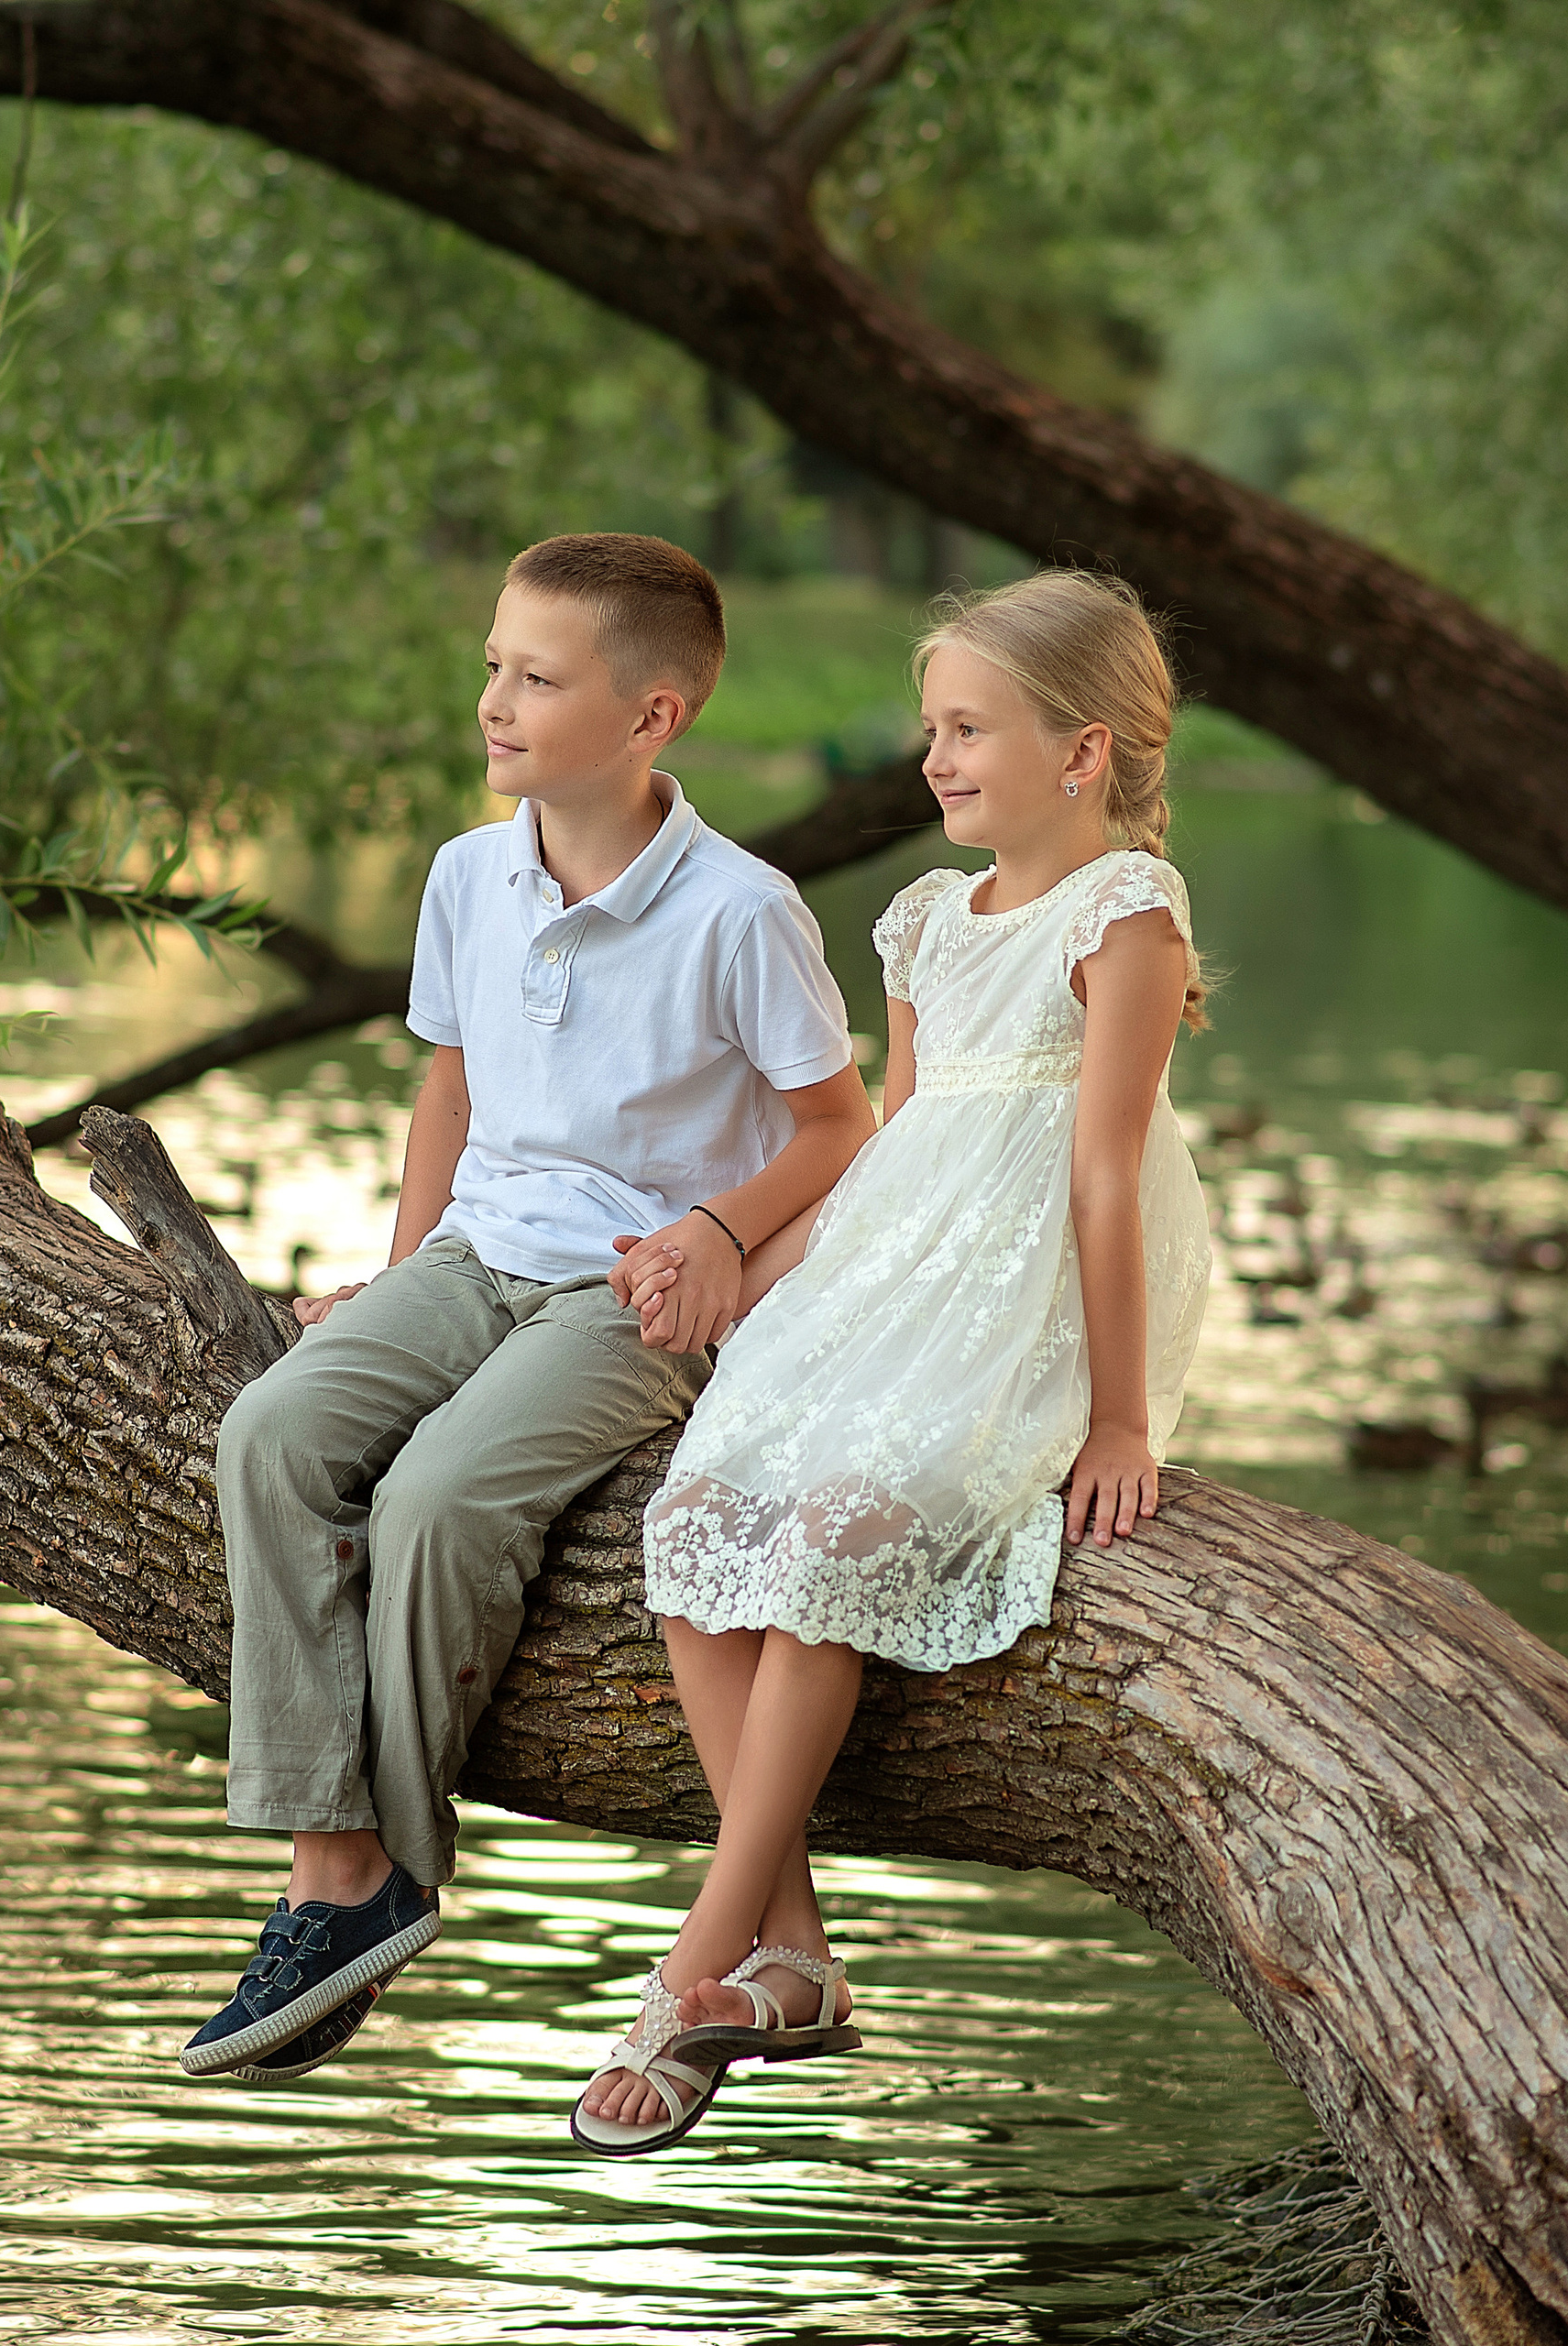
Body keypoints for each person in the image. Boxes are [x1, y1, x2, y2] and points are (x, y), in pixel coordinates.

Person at [181, 533, 879, 2083]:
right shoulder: (467, 871)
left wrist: (713, 1226)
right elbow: (452, 1077)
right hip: (469, 1258)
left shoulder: (740, 911)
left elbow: (841, 1129)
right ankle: (333, 1857)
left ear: (652, 717)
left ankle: (385, 1879)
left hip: (628, 1295)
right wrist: (404, 1254)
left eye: (536, 677)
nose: (494, 699)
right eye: (494, 662)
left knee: (437, 1497)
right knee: (273, 1434)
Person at [572, 568, 1212, 2155]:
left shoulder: (1123, 916)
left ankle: (689, 1966)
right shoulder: (927, 919)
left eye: (969, 728)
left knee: (836, 1542)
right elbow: (894, 1147)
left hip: (1033, 1288)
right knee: (696, 1540)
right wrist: (742, 1264)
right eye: (931, 726)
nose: (933, 757)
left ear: (1083, 752)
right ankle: (794, 1956)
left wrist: (1121, 1414)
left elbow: (1106, 1175)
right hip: (902, 1266)